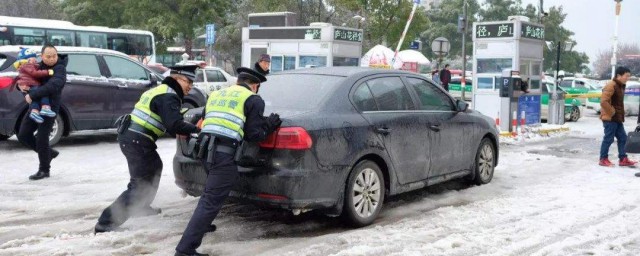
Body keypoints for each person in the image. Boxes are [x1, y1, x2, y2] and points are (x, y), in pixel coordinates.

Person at [175, 67, 282, 256]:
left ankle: (202, 225)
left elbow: (204, 120)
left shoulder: (217, 94)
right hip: (222, 154)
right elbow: (254, 134)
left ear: (238, 81)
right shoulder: (253, 99)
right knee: (209, 201)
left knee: (210, 196)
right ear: (255, 85)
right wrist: (269, 125)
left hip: (205, 151)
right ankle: (185, 250)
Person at [94, 65, 201, 233]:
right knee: (139, 184)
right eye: (188, 81)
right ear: (177, 79)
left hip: (133, 138)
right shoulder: (168, 96)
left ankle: (141, 206)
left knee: (154, 166)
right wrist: (196, 130)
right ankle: (106, 222)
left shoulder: (160, 90)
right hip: (137, 140)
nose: (190, 86)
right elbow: (173, 125)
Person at [17, 44, 67, 180]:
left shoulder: (60, 69)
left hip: (49, 109)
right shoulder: (37, 66)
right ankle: (48, 153)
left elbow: (53, 86)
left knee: (41, 138)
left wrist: (32, 95)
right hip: (34, 107)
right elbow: (25, 76)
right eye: (48, 56)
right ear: (42, 56)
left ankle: (44, 170)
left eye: (54, 56)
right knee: (23, 135)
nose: (52, 59)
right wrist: (20, 86)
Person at [599, 66, 636, 167]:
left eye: (629, 76)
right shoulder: (611, 85)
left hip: (617, 118)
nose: (628, 78)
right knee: (608, 139)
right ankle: (603, 159)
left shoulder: (620, 85)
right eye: (626, 76)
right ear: (619, 75)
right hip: (610, 118)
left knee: (623, 138)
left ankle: (623, 158)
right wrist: (612, 112)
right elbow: (603, 101)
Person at [13, 47, 56, 124]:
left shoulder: (25, 65)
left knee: (34, 98)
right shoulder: (27, 65)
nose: (36, 60)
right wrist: (47, 72)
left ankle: (34, 112)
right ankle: (45, 107)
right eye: (34, 58)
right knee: (43, 93)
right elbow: (35, 73)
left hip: (29, 84)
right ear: (28, 59)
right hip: (31, 84)